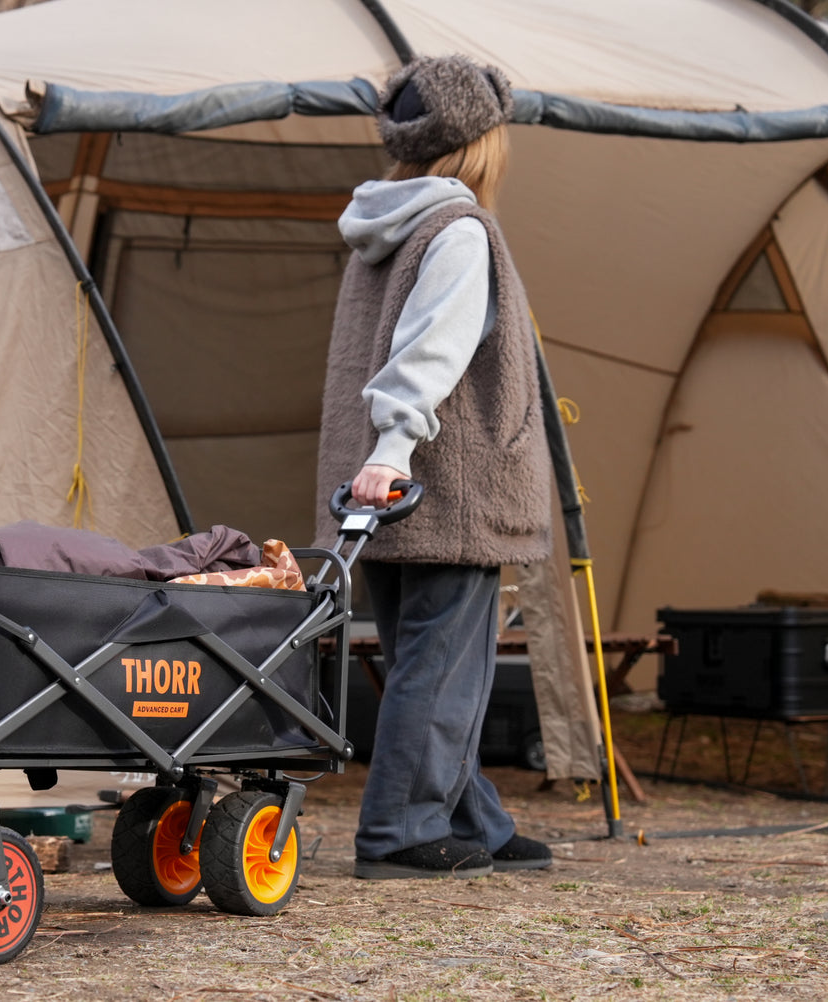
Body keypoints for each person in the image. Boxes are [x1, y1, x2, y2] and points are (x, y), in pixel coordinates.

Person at [316, 54, 555, 879]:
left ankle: (470, 819)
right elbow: (430, 356)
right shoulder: (455, 231)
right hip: (438, 484)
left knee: (442, 661)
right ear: (477, 143)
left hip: (382, 485)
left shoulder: (384, 225)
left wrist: (375, 459)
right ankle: (401, 835)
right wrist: (393, 450)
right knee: (441, 663)